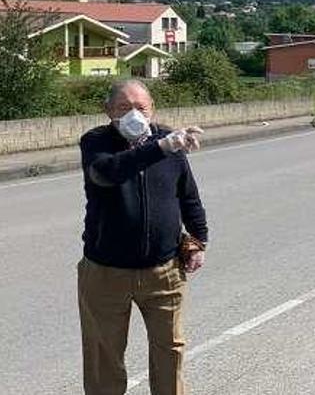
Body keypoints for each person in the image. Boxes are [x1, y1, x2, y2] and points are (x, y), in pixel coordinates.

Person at [77, 79, 209, 395]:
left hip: (164, 272)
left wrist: (198, 239)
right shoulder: (96, 142)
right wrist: (162, 147)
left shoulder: (170, 141)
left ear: (152, 110)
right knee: (103, 357)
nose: (133, 114)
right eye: (123, 108)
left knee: (170, 351)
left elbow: (187, 195)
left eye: (140, 107)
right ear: (108, 111)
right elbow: (106, 173)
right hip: (106, 273)